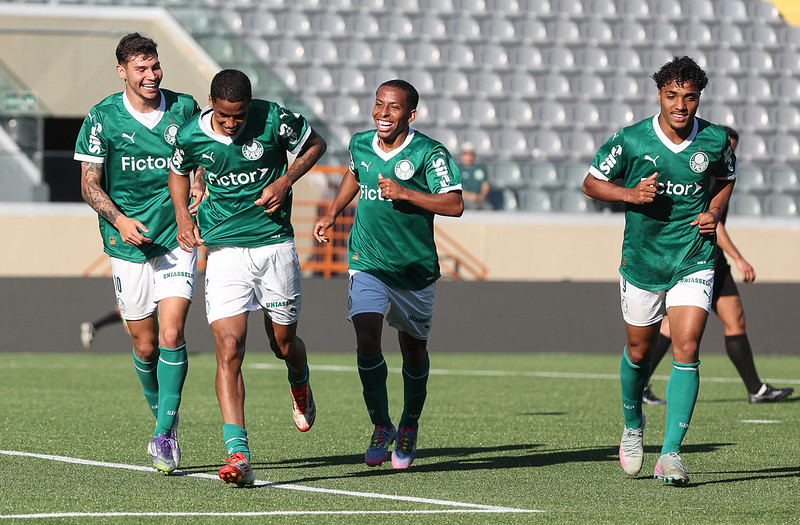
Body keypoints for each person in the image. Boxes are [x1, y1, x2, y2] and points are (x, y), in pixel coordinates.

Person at [582, 56, 736, 486]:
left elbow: (726, 179)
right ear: (659, 95)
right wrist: (630, 195)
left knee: (687, 346)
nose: (680, 105)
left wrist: (714, 210)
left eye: (690, 97)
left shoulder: (715, 139)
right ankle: (633, 425)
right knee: (639, 351)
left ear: (699, 98)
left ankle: (670, 454)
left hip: (693, 256)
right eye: (672, 96)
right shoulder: (631, 139)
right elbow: (591, 183)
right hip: (643, 259)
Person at [168, 69, 327, 486]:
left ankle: (300, 382)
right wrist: (183, 215)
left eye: (239, 116)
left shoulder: (274, 119)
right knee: (228, 347)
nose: (231, 123)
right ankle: (238, 454)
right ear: (211, 104)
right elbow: (178, 171)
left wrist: (286, 179)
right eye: (224, 116)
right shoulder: (191, 134)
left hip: (274, 246)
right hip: (224, 252)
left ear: (250, 105)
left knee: (283, 344)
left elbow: (316, 143)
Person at [313, 79, 464, 469]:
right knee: (366, 337)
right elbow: (354, 174)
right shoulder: (361, 143)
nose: (382, 113)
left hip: (414, 270)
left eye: (393, 107)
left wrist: (406, 193)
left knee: (413, 353)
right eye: (379, 104)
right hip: (368, 261)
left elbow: (454, 204)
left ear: (410, 114)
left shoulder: (430, 153)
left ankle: (409, 424)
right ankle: (382, 425)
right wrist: (332, 213)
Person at [74, 33, 203, 474]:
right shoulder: (101, 118)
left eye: (155, 66)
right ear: (122, 71)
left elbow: (200, 156)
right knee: (145, 346)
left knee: (172, 332)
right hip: (126, 243)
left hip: (176, 236)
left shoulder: (184, 108)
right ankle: (164, 414)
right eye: (141, 68)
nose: (151, 75)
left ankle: (164, 434)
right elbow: (89, 184)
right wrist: (121, 221)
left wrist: (198, 185)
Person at [643, 126, 793, 405]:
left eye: (732, 149)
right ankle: (639, 384)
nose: (728, 153)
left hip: (715, 261)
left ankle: (756, 389)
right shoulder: (700, 178)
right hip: (694, 260)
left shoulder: (724, 177)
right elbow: (713, 224)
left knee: (735, 320)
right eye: (726, 147)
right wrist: (739, 258)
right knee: (671, 326)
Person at [456, 142, 491, 210]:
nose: (467, 157)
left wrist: (481, 197)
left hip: (479, 200)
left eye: (470, 154)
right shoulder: (457, 169)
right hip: (463, 199)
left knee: (488, 208)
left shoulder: (481, 168)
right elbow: (455, 188)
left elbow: (485, 184)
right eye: (465, 154)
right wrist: (470, 196)